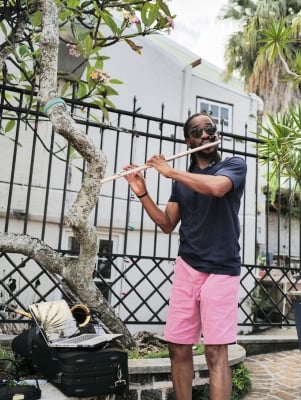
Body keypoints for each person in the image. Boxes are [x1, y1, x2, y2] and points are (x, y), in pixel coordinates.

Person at [124, 112, 247, 400]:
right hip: (187, 267)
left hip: (222, 269)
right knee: (178, 347)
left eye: (209, 129)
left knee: (216, 350)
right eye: (197, 131)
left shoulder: (233, 165)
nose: (205, 134)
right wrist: (142, 193)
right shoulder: (181, 182)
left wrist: (170, 171)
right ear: (187, 139)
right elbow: (167, 223)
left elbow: (217, 188)